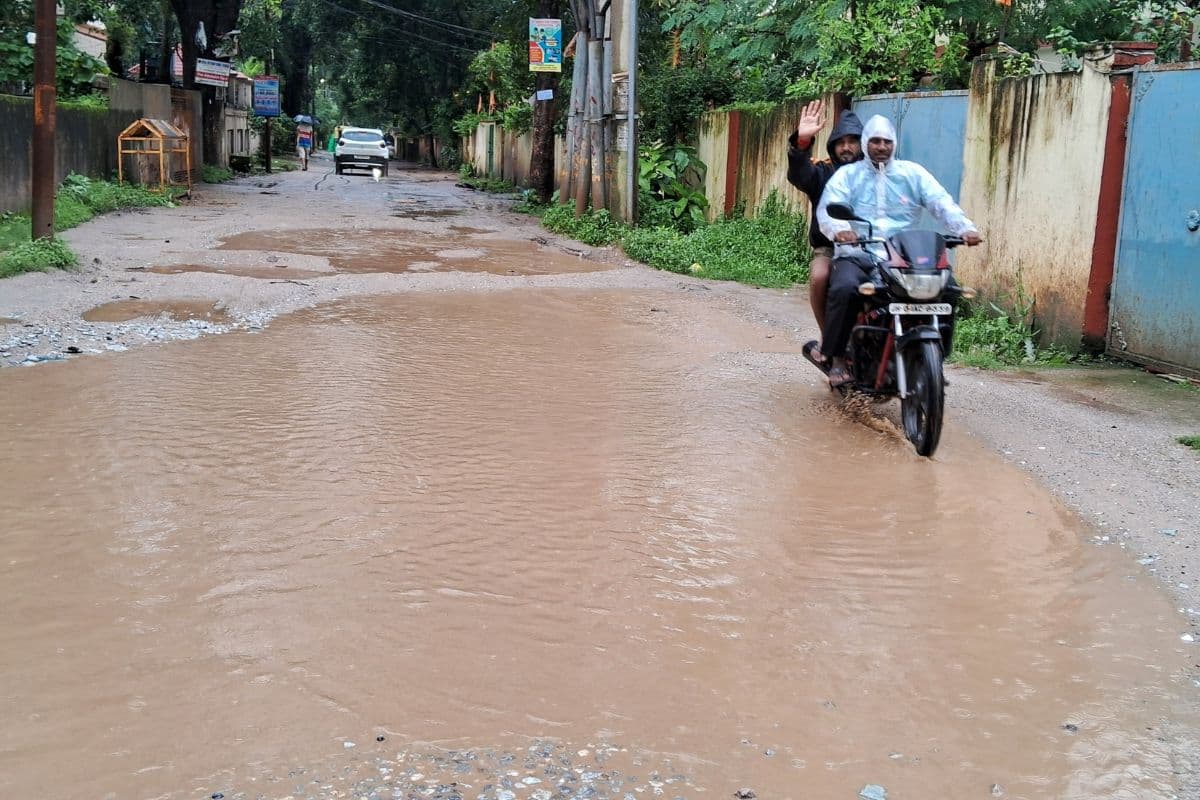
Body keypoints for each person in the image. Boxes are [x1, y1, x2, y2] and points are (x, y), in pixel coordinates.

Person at [815, 114, 981, 388]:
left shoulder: (912, 174)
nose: (881, 146)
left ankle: (935, 358)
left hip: (901, 255)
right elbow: (829, 207)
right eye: (876, 141)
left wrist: (965, 228)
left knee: (948, 288)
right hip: (859, 253)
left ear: (894, 144)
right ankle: (836, 358)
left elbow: (940, 202)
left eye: (887, 141)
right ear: (867, 142)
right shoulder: (849, 175)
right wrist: (840, 229)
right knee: (844, 288)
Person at [786, 100, 864, 344]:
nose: (846, 147)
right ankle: (829, 338)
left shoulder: (877, 173)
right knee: (820, 276)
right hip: (830, 247)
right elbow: (800, 176)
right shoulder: (822, 171)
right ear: (833, 146)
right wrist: (802, 144)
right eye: (841, 142)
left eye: (852, 141)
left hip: (874, 246)